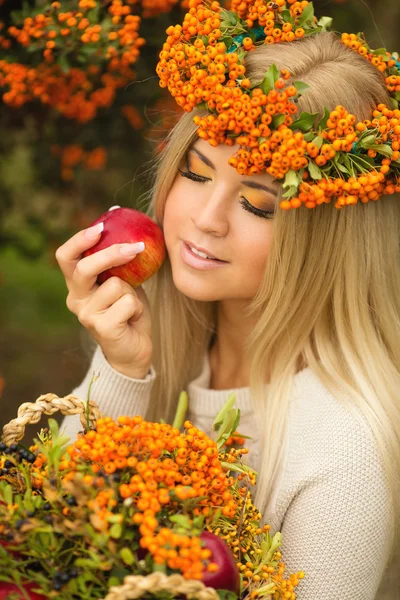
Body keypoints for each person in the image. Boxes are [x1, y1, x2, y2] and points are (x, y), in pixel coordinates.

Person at [55, 7, 400, 598]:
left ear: (328, 240)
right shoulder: (164, 338)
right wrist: (122, 370)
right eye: (195, 172)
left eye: (258, 204)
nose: (205, 221)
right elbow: (53, 532)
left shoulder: (345, 449)